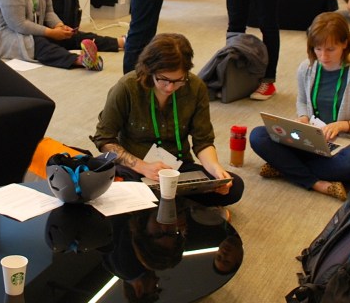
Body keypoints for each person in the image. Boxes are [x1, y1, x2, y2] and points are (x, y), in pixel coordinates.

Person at [90, 33, 243, 207]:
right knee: (116, 189)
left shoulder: (195, 87)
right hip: (135, 170)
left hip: (177, 170)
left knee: (234, 186)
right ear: (150, 70)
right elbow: (104, 140)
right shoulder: (127, 87)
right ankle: (180, 204)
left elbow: (203, 142)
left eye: (178, 80)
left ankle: (171, 202)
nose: (170, 87)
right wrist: (142, 166)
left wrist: (216, 170)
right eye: (163, 79)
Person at [249, 12, 350, 198]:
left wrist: (343, 125)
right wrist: (303, 118)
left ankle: (285, 167)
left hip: (346, 143)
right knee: (258, 136)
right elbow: (302, 101)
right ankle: (316, 183)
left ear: (345, 43)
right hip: (311, 138)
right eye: (318, 49)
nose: (323, 56)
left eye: (330, 49)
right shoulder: (307, 67)